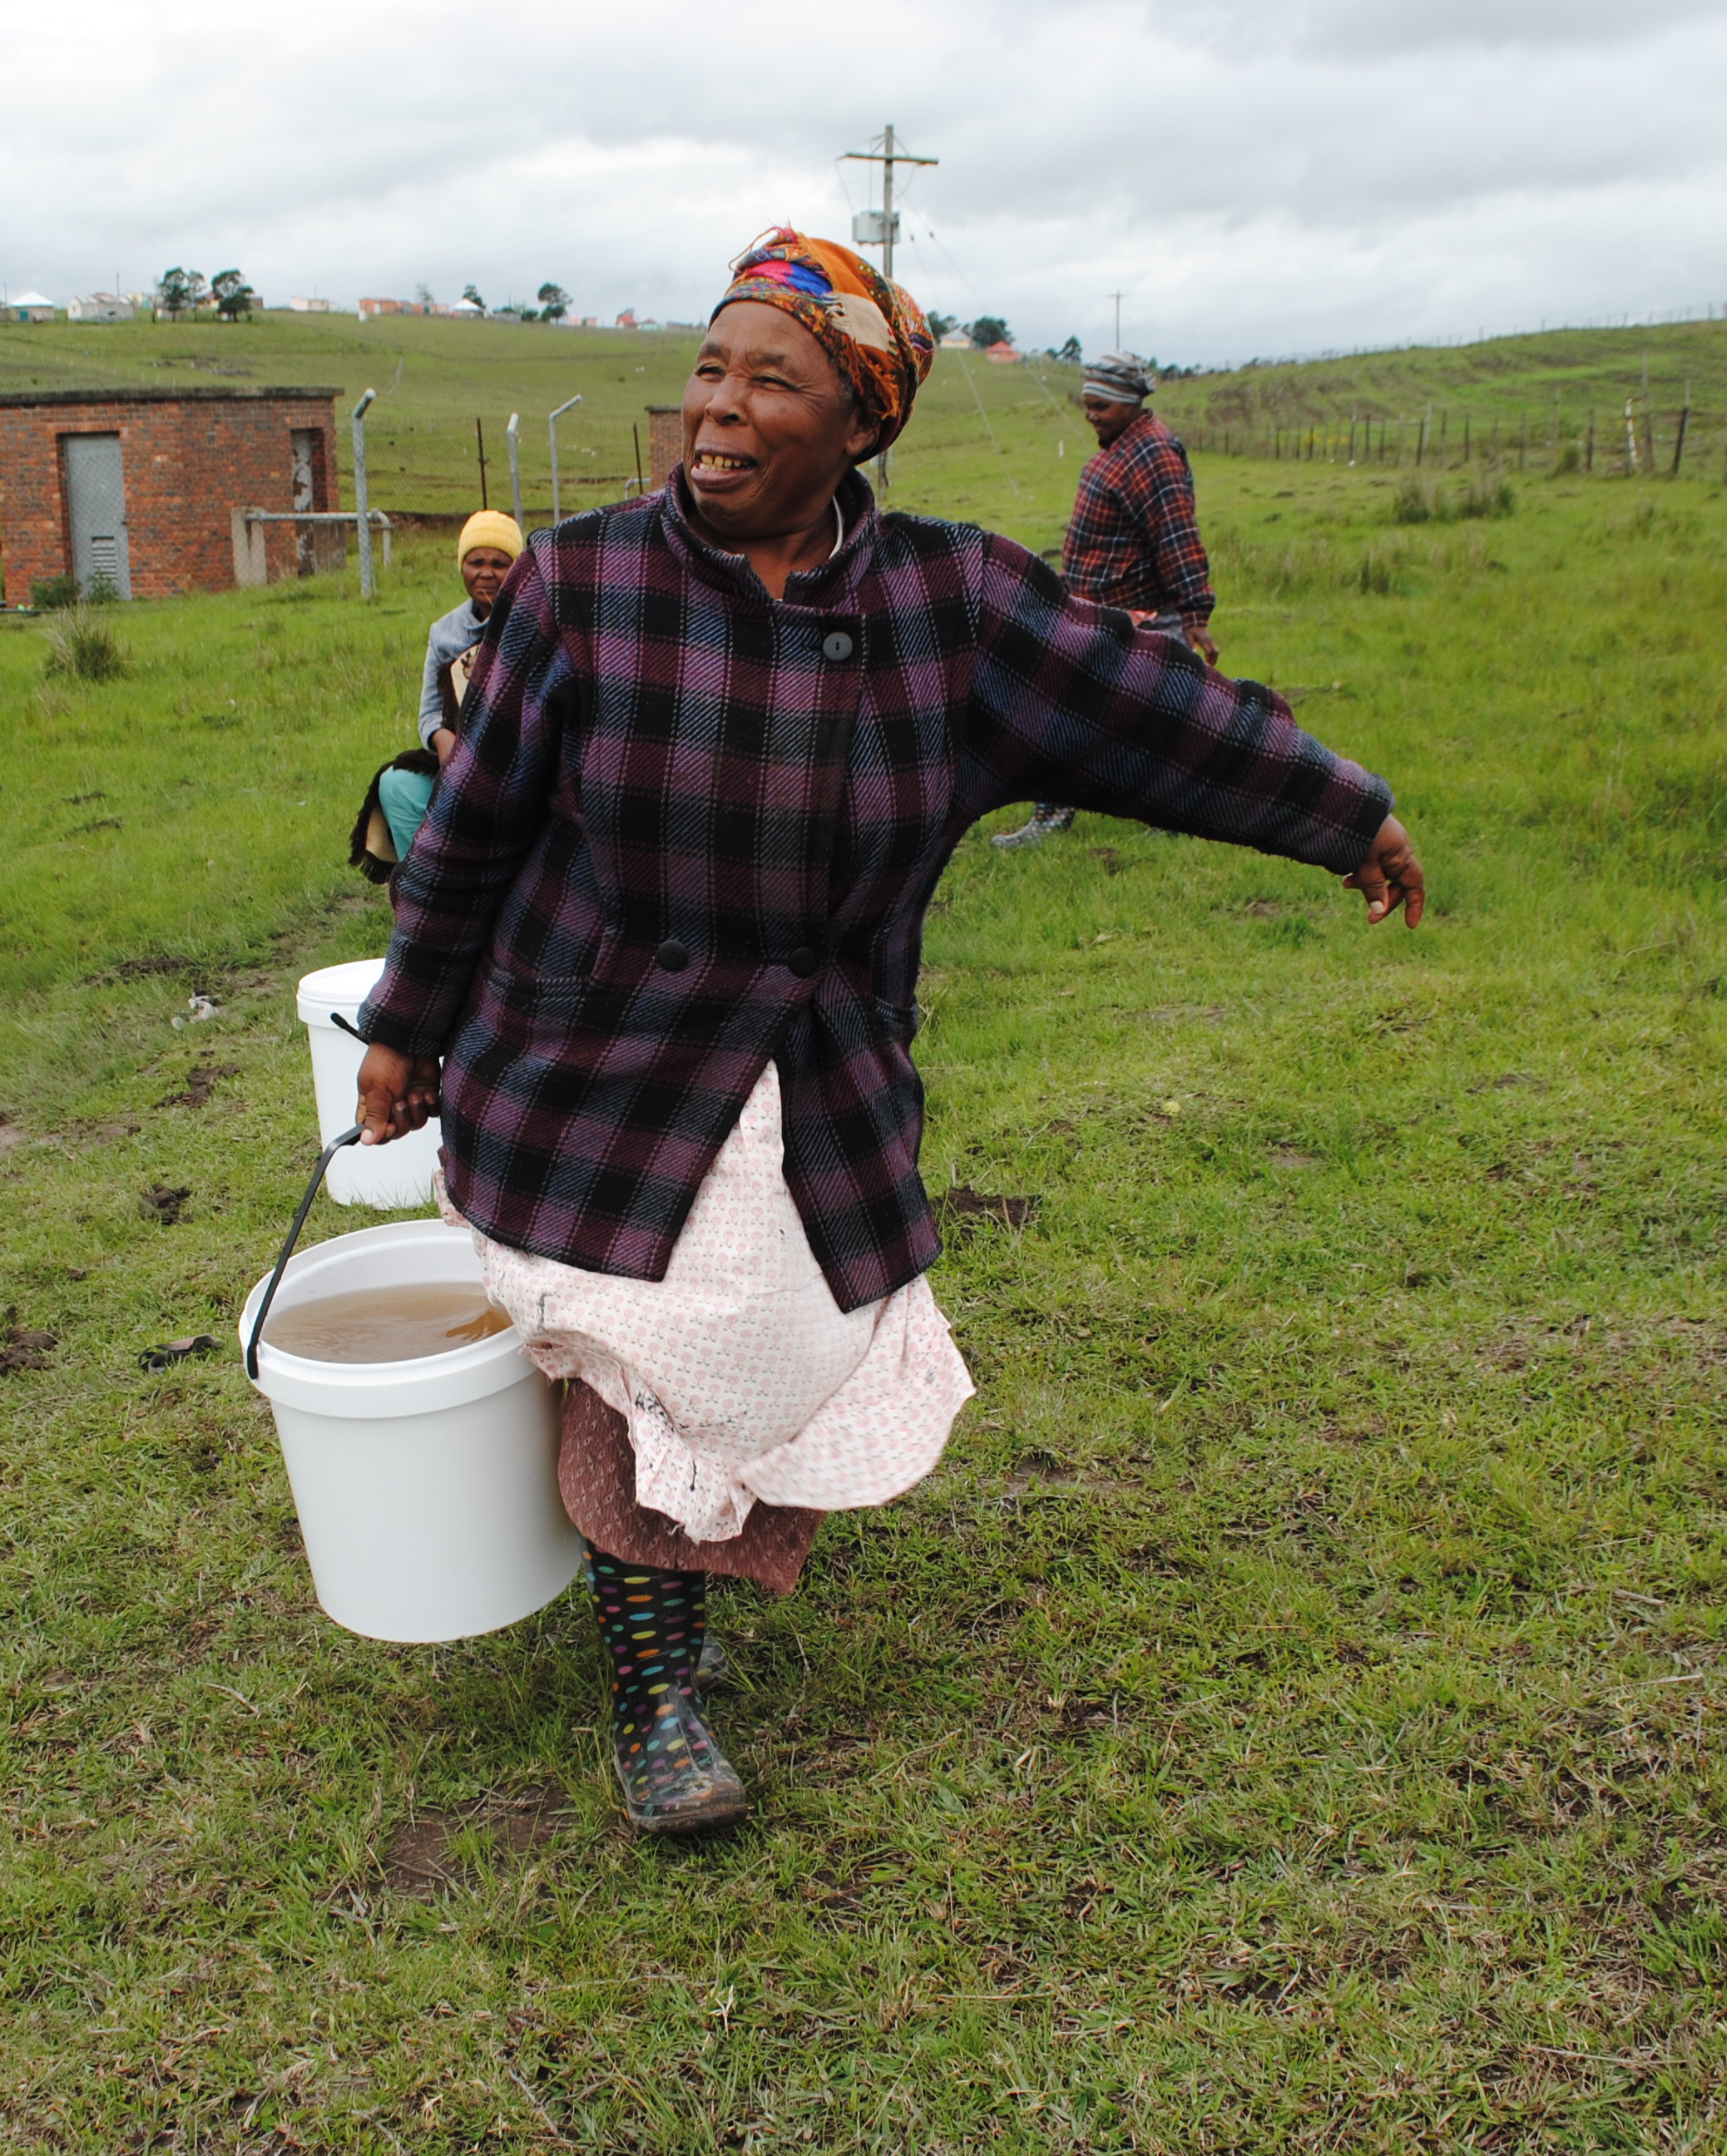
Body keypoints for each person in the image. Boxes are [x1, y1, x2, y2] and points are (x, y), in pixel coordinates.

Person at [351, 230, 1423, 1835]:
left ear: (862, 420)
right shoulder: (585, 586)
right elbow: (475, 827)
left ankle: (672, 1593)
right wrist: (405, 1021)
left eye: (770, 381)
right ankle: (654, 1691)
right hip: (599, 1062)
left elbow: (1154, 713)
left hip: (808, 1066)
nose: (718, 406)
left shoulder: (950, 605)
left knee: (744, 1351)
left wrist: (1342, 812)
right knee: (648, 1363)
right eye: (708, 368)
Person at [993, 350, 1220, 850]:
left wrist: (1195, 612)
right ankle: (1081, 810)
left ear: (1131, 403)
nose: (1091, 414)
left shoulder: (1151, 454)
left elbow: (1177, 536)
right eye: (1087, 404)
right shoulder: (1125, 447)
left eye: (1102, 406)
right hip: (1100, 610)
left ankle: (1142, 810)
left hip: (1136, 615)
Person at [378, 512, 524, 860]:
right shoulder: (444, 633)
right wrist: (444, 741)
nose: (486, 573)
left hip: (520, 769)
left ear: (518, 571)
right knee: (396, 784)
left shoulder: (533, 623)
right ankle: (422, 881)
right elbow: (429, 713)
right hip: (458, 766)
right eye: (476, 562)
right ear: (462, 568)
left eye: (499, 563)